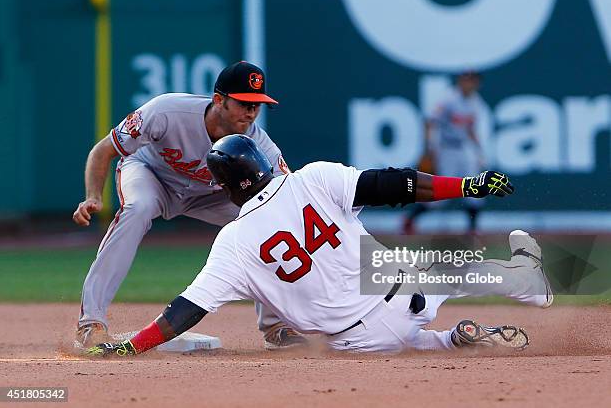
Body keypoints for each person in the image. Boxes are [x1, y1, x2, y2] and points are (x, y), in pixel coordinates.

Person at [86, 135, 553, 356]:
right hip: (402, 288)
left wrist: (132, 348)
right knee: (453, 263)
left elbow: (184, 312)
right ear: (262, 162)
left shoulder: (232, 241)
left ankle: (452, 341)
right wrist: (467, 184)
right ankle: (529, 284)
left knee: (407, 343)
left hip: (357, 342)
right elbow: (396, 185)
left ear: (226, 188)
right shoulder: (313, 179)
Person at [73, 61, 304, 350]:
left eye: (257, 104)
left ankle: (276, 327)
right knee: (137, 209)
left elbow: (290, 196)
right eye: (244, 103)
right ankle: (90, 323)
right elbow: (103, 151)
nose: (251, 112)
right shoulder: (167, 112)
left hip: (208, 195)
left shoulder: (259, 144)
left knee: (263, 223)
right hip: (150, 174)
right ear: (218, 100)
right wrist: (93, 196)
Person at [404, 70, 486, 234]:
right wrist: (429, 150)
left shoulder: (476, 101)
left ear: (477, 83)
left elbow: (470, 129)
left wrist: (479, 151)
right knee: (440, 195)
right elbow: (429, 121)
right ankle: (410, 219)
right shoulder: (449, 99)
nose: (469, 83)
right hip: (446, 149)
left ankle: (473, 230)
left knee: (476, 188)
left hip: (463, 148)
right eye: (466, 79)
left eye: (472, 80)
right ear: (460, 81)